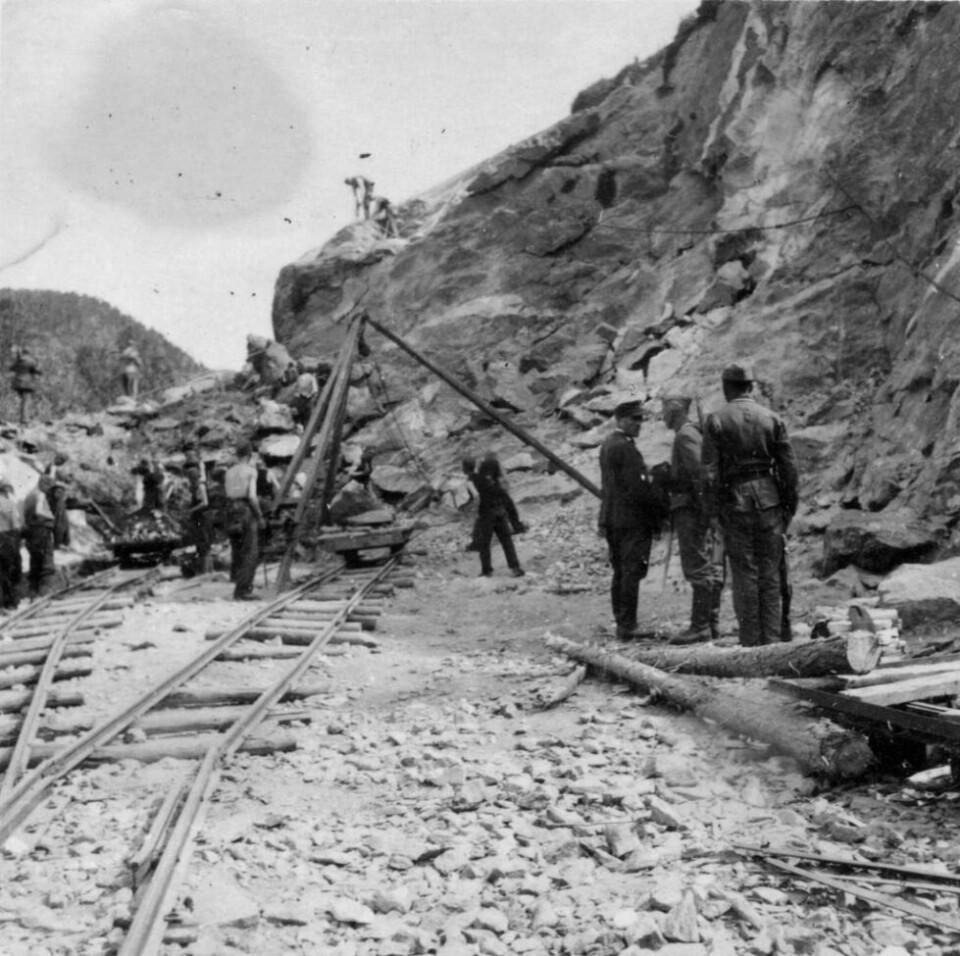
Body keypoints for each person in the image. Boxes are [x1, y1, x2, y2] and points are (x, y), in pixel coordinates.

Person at [701, 364, 799, 647]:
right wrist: (788, 507)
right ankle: (772, 643)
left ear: (725, 387)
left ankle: (751, 645)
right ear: (751, 387)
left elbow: (708, 475)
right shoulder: (772, 419)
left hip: (735, 504)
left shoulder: (716, 420)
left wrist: (713, 513)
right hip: (770, 503)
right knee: (770, 574)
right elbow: (789, 470)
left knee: (745, 574)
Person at [662, 395, 724, 645]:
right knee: (706, 565)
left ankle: (700, 627)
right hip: (696, 508)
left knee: (697, 566)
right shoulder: (692, 433)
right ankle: (711, 623)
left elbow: (700, 474)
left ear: (674, 411)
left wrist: (705, 509)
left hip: (691, 509)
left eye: (664, 410)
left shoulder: (685, 435)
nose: (662, 416)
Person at [599, 399, 657, 640]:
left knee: (620, 571)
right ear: (621, 419)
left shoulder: (608, 444)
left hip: (612, 517)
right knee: (631, 571)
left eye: (641, 419)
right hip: (631, 520)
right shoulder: (625, 447)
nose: (639, 424)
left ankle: (622, 622)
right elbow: (637, 489)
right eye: (634, 419)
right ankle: (628, 625)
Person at [470, 455, 525, 578]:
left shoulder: (479, 483)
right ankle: (515, 567)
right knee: (507, 542)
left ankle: (486, 570)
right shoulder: (499, 485)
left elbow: (471, 479)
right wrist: (516, 523)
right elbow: (509, 504)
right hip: (500, 514)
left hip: (486, 516)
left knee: (485, 544)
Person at [224, 440, 265, 601]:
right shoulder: (250, 471)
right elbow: (252, 496)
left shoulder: (229, 472)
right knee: (250, 551)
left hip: (230, 510)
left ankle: (237, 583)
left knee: (237, 550)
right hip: (245, 509)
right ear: (249, 455)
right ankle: (243, 590)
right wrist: (260, 517)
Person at [23, 475, 56, 597]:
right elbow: (39, 511)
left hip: (30, 531)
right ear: (43, 484)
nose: (48, 490)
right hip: (41, 530)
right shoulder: (40, 495)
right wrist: (51, 516)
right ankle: (45, 591)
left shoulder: (29, 495)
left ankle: (33, 591)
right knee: (45, 560)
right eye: (48, 486)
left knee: (34, 560)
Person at [183, 449, 213, 574]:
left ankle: (206, 571)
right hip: (198, 518)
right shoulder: (194, 487)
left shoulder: (200, 486)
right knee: (201, 545)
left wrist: (191, 510)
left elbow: (205, 502)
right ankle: (207, 570)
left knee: (204, 545)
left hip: (202, 517)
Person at [0, 479, 23, 609]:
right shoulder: (9, 504)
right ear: (7, 490)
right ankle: (10, 603)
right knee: (12, 570)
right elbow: (16, 525)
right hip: (6, 538)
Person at [10, 346, 41, 425]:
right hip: (26, 383)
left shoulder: (19, 360)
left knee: (23, 401)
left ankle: (23, 418)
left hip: (17, 383)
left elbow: (11, 368)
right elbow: (37, 370)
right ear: (29, 352)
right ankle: (24, 420)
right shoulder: (31, 360)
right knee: (26, 401)